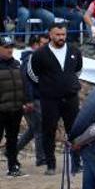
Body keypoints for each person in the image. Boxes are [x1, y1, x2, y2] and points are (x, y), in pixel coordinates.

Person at [27, 23, 84, 175]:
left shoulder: (74, 51)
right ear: (50, 35)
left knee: (75, 130)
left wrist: (68, 84)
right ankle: (51, 165)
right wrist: (48, 86)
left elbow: (78, 71)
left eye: (63, 34)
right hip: (50, 99)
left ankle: (77, 163)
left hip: (71, 97)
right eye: (57, 34)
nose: (61, 37)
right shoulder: (39, 53)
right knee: (49, 130)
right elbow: (32, 75)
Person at [0, 35, 33, 177]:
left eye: (11, 47)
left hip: (15, 108)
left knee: (12, 139)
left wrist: (26, 101)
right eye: (6, 47)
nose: (9, 50)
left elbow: (23, 85)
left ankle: (13, 166)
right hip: (1, 110)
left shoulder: (16, 64)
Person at [18, 34, 49, 167]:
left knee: (34, 129)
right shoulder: (31, 60)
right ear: (35, 45)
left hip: (36, 98)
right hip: (33, 99)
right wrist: (29, 100)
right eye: (43, 44)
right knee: (39, 129)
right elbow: (26, 82)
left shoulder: (34, 58)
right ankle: (41, 158)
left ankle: (12, 151)